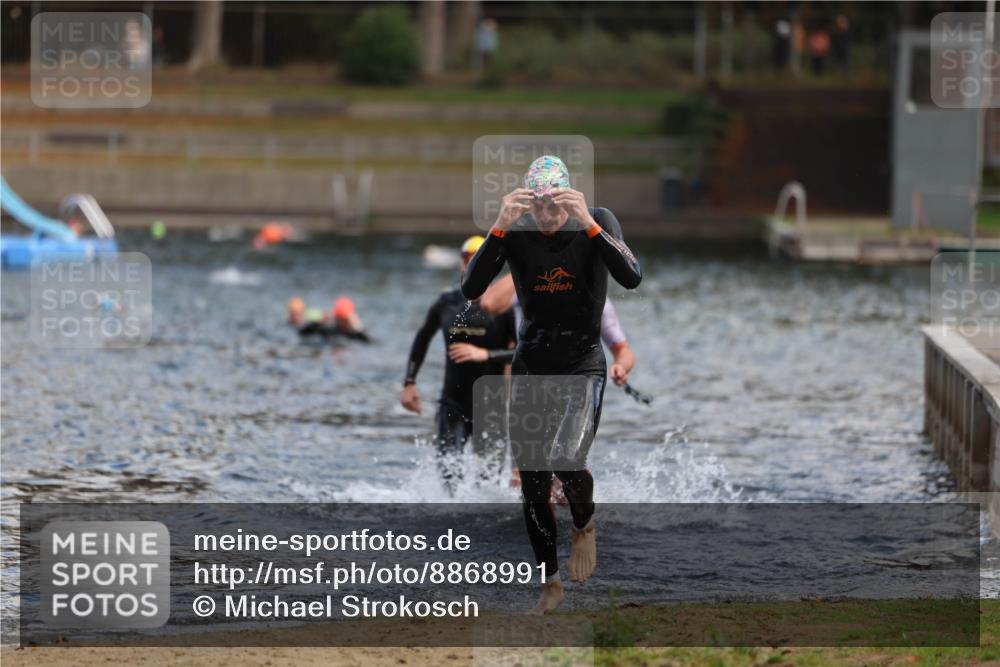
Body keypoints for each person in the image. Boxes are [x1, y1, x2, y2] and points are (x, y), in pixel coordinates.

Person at [461, 155, 641, 614]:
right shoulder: (516, 230)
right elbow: (471, 289)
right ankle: (551, 584)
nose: (545, 216)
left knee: (568, 456)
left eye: (553, 207)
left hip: (582, 363)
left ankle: (585, 524)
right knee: (534, 484)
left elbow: (632, 276)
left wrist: (587, 225)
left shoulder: (596, 220)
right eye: (537, 206)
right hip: (531, 365)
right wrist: (500, 225)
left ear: (568, 197)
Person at [400, 236, 517, 492]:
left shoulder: (504, 307)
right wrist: (409, 383)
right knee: (448, 480)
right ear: (461, 261)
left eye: (480, 259)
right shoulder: (446, 302)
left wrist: (485, 355)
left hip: (492, 409)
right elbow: (421, 339)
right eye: (468, 258)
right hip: (453, 403)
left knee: (487, 486)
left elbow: (524, 352)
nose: (473, 263)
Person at [287, 296, 372, 343]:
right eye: (339, 319)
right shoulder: (330, 330)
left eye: (344, 319)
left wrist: (358, 326)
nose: (341, 322)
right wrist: (319, 321)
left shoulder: (355, 334)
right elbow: (302, 332)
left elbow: (370, 342)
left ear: (349, 319)